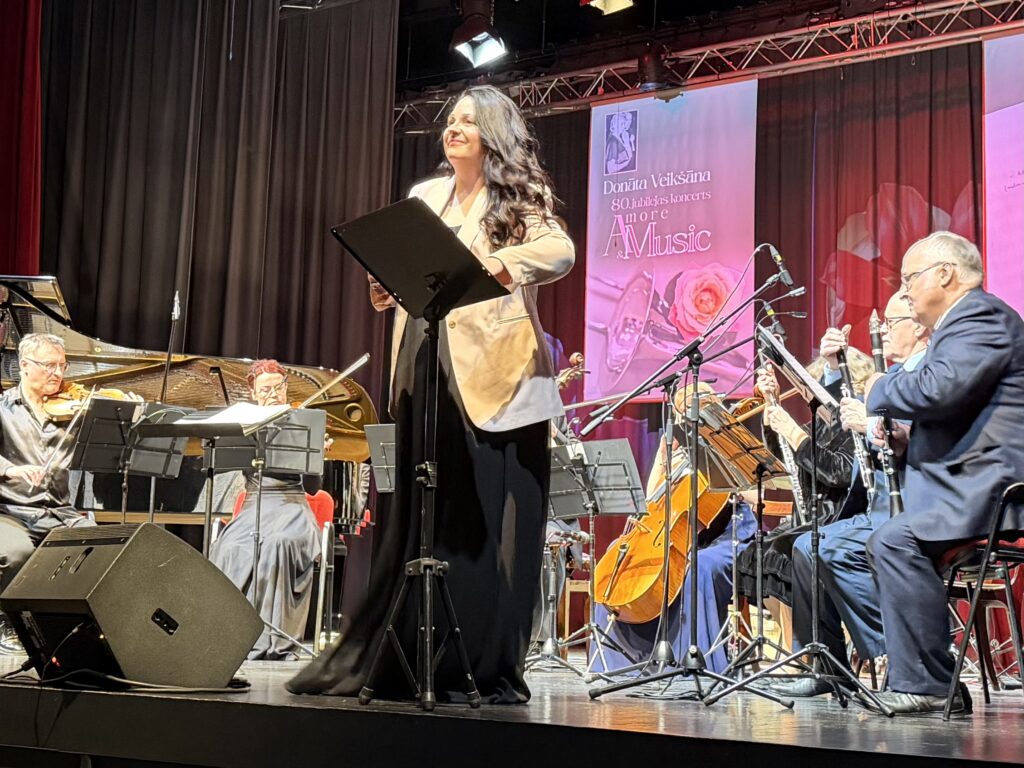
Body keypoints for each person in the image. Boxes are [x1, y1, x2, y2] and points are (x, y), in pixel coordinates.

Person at [288, 85, 575, 703]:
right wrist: (384, 284)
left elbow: (560, 252)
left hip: (499, 376)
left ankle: (482, 661)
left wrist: (498, 266)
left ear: (493, 133)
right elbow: (399, 271)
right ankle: (417, 653)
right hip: (423, 359)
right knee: (425, 514)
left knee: (486, 519)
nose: (454, 128)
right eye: (450, 120)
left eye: (468, 121)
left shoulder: (520, 196)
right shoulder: (425, 196)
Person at [864, 232, 1024, 715]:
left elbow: (937, 390)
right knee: (844, 547)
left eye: (909, 278)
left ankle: (931, 684)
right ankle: (904, 672)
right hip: (957, 485)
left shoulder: (980, 316)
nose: (905, 290)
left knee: (894, 541)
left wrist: (879, 385)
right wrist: (903, 442)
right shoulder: (962, 324)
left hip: (986, 490)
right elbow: (956, 410)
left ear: (946, 274)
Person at [768, 295, 930, 697]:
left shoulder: (926, 373)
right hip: (881, 505)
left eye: (891, 322)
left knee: (826, 547)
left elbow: (909, 437)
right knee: (806, 546)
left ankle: (907, 652)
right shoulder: (893, 375)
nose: (883, 330)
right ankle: (828, 667)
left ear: (918, 326)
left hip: (913, 503)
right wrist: (833, 368)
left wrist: (870, 426)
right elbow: (842, 422)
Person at [210, 359, 322, 660]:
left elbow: (313, 488)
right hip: (254, 506)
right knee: (227, 547)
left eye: (277, 387)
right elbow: (222, 464)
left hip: (292, 506)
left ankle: (272, 640)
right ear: (253, 393)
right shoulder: (245, 424)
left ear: (286, 388)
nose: (272, 394)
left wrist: (318, 457)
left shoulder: (300, 422)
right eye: (265, 389)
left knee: (277, 545)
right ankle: (229, 638)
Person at [0, 333, 96, 651]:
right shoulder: (3, 409)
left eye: (62, 366)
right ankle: (7, 624)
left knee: (103, 548)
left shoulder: (72, 410)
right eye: (49, 365)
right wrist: (10, 469)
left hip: (59, 512)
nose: (58, 373)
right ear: (24, 365)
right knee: (14, 553)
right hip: (12, 510)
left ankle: (73, 630)